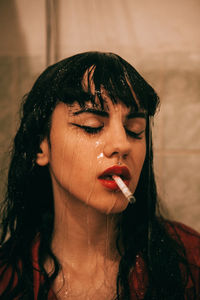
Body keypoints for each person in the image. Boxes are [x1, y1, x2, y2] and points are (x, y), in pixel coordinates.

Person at [0, 51, 200, 300]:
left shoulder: (191, 261)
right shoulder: (8, 282)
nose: (122, 144)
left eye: (134, 130)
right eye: (91, 126)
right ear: (42, 146)